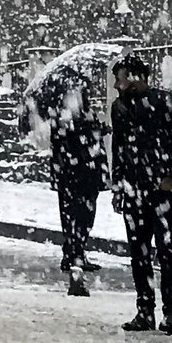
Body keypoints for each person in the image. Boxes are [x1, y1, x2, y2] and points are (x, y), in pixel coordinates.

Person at [110, 54, 172, 334]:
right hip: (133, 189)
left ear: (135, 77)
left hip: (162, 191)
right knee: (139, 252)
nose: (116, 85)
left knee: (167, 252)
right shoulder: (119, 107)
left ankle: (171, 313)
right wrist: (118, 186)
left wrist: (171, 175)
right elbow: (119, 148)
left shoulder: (166, 102)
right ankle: (144, 310)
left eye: (119, 79)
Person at [26, 69, 107, 296]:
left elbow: (87, 138)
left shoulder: (83, 113)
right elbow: (68, 142)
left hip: (86, 173)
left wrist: (98, 130)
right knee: (73, 214)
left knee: (85, 214)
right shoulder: (63, 116)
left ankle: (77, 252)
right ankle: (73, 254)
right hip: (73, 174)